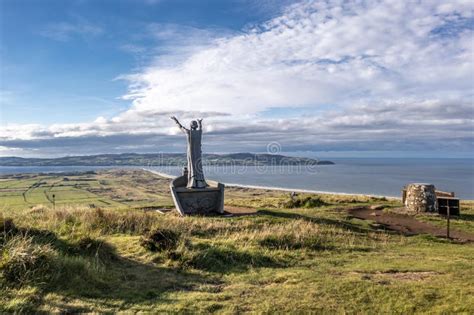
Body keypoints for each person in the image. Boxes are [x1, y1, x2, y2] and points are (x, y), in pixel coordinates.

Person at [171, 116, 208, 188]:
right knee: (198, 165)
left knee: (192, 165)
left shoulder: (188, 132)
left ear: (191, 126)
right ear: (196, 126)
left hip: (191, 152)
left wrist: (176, 121)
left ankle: (193, 182)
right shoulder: (199, 133)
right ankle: (200, 182)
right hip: (198, 152)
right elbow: (200, 129)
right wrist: (200, 123)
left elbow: (181, 127)